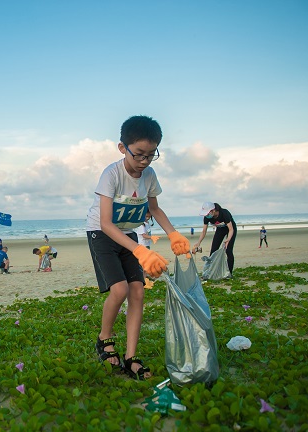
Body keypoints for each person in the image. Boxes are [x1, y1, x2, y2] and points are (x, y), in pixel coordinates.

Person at [86, 115, 190, 380]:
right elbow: (107, 223)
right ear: (123, 148)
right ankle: (104, 338)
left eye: (151, 155)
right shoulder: (111, 174)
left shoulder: (149, 175)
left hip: (129, 234)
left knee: (138, 292)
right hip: (102, 233)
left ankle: (131, 356)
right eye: (139, 155)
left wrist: (173, 233)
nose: (144, 162)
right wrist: (140, 250)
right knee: (119, 289)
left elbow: (154, 208)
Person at [192, 201, 237, 276]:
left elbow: (231, 229)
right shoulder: (207, 217)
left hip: (231, 230)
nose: (206, 215)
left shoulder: (224, 213)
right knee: (213, 251)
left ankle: (229, 273)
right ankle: (210, 272)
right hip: (220, 230)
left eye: (208, 213)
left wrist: (228, 239)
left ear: (213, 210)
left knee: (228, 250)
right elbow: (204, 231)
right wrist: (198, 242)